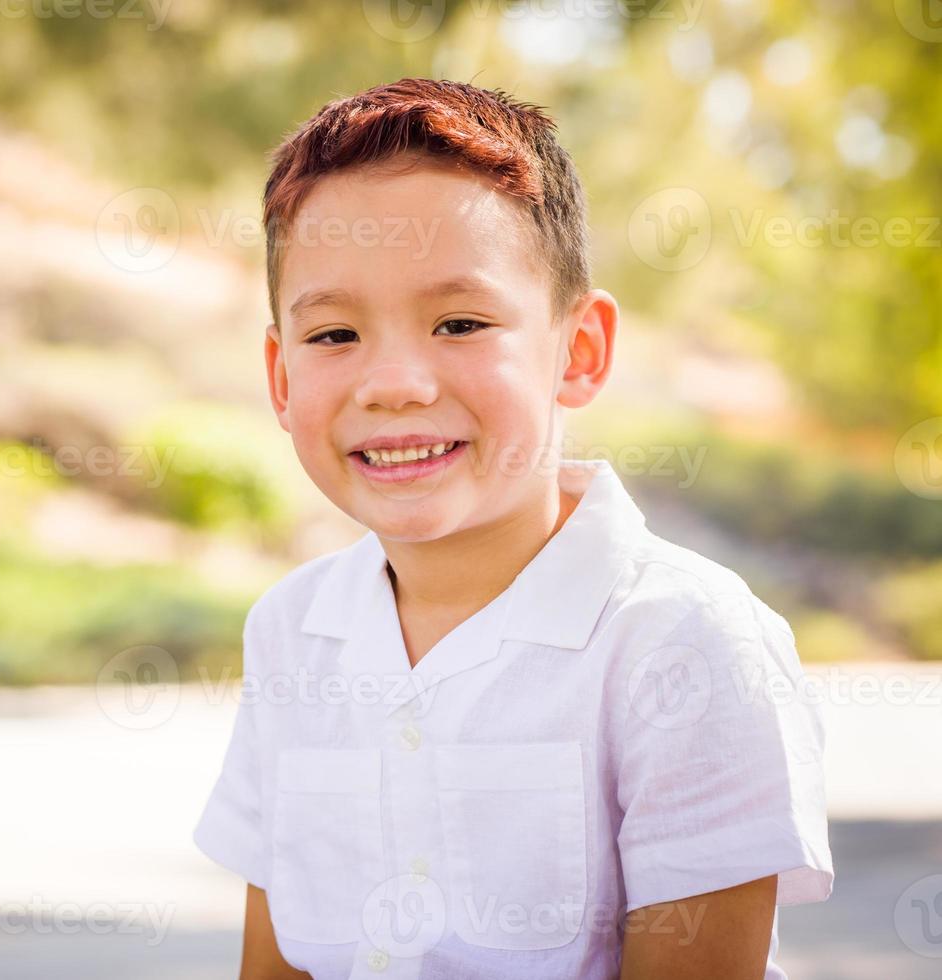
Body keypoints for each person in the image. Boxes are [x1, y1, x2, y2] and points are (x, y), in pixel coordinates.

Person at [191, 78, 832, 980]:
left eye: (460, 322)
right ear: (280, 375)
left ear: (580, 351)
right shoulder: (292, 633)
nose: (396, 383)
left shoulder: (680, 641)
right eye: (335, 335)